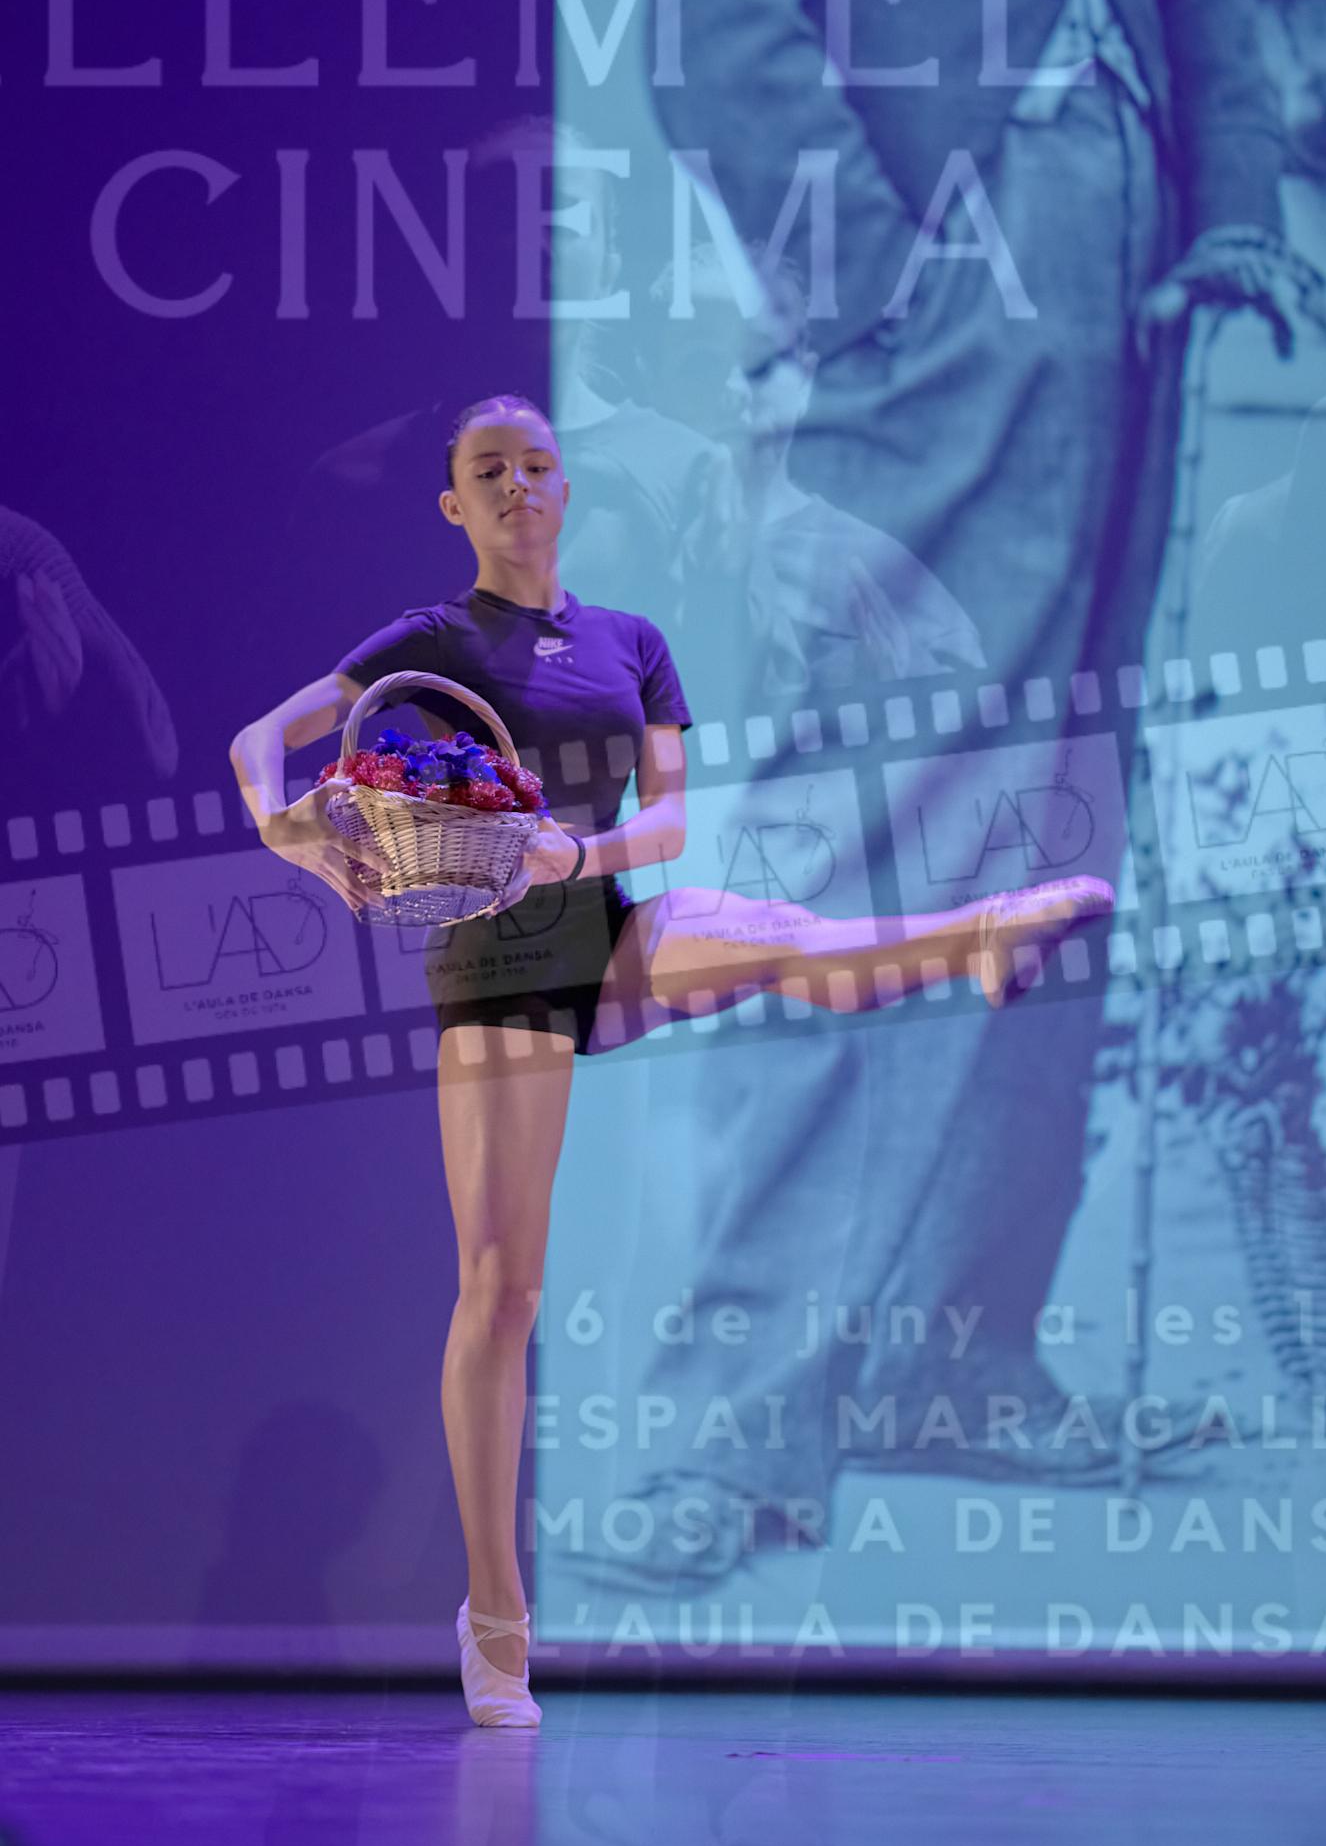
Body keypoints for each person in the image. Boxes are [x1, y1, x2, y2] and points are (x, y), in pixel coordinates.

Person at [607, 0, 1326, 1564]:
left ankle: (954, 1362)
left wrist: (1232, 210)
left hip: (1135, 270)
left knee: (1057, 827)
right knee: (877, 821)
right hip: (940, 258)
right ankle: (729, 1427)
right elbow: (714, 2)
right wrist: (871, 279)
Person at [228, 392, 1117, 1727]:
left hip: (606, 917)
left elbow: (664, 825)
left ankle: (981, 938)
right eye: (488, 471)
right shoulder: (431, 639)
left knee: (775, 938)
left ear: (565, 488)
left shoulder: (631, 645)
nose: (518, 485)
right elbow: (259, 744)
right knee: (502, 1288)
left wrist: (573, 853)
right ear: (454, 505)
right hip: (497, 963)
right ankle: (494, 1620)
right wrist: (287, 828)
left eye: (536, 464)